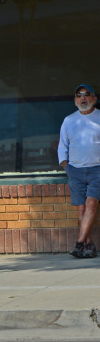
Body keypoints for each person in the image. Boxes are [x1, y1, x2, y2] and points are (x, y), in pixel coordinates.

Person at [58, 83, 100, 258]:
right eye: (79, 95)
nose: (83, 98)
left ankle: (79, 243)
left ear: (94, 99)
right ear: (75, 100)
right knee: (81, 208)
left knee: (91, 204)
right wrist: (65, 166)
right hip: (75, 170)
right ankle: (89, 246)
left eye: (87, 94)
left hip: (97, 170)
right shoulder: (69, 120)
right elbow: (62, 146)